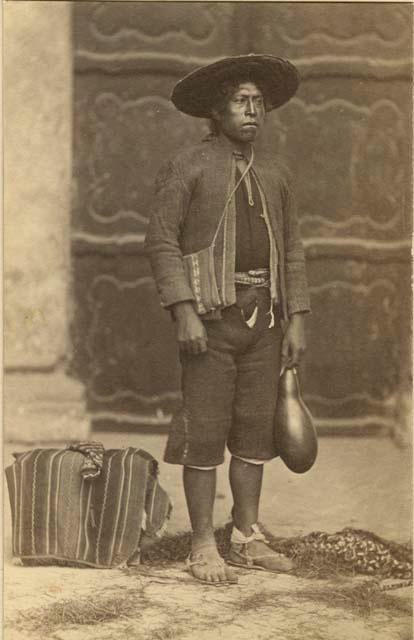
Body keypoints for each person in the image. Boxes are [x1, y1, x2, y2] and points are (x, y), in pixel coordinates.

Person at [145, 54, 310, 585]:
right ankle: (201, 546)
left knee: (255, 433)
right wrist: (183, 310)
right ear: (217, 111)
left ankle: (245, 536)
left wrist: (297, 318)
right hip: (209, 324)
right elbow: (162, 241)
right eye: (242, 101)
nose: (253, 110)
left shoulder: (278, 173)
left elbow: (294, 252)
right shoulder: (187, 167)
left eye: (259, 102)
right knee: (206, 433)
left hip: (265, 325)